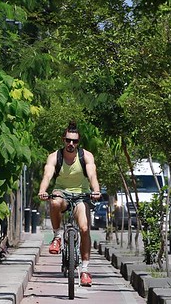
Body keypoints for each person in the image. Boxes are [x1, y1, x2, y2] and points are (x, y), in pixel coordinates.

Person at [38, 121, 101, 287]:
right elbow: (47, 175)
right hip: (62, 192)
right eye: (68, 140)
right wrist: (43, 190)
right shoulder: (55, 157)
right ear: (63, 140)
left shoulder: (86, 156)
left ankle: (85, 270)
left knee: (85, 228)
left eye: (75, 141)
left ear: (78, 143)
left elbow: (93, 176)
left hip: (82, 195)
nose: (71, 144)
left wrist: (96, 190)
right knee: (54, 202)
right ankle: (57, 236)